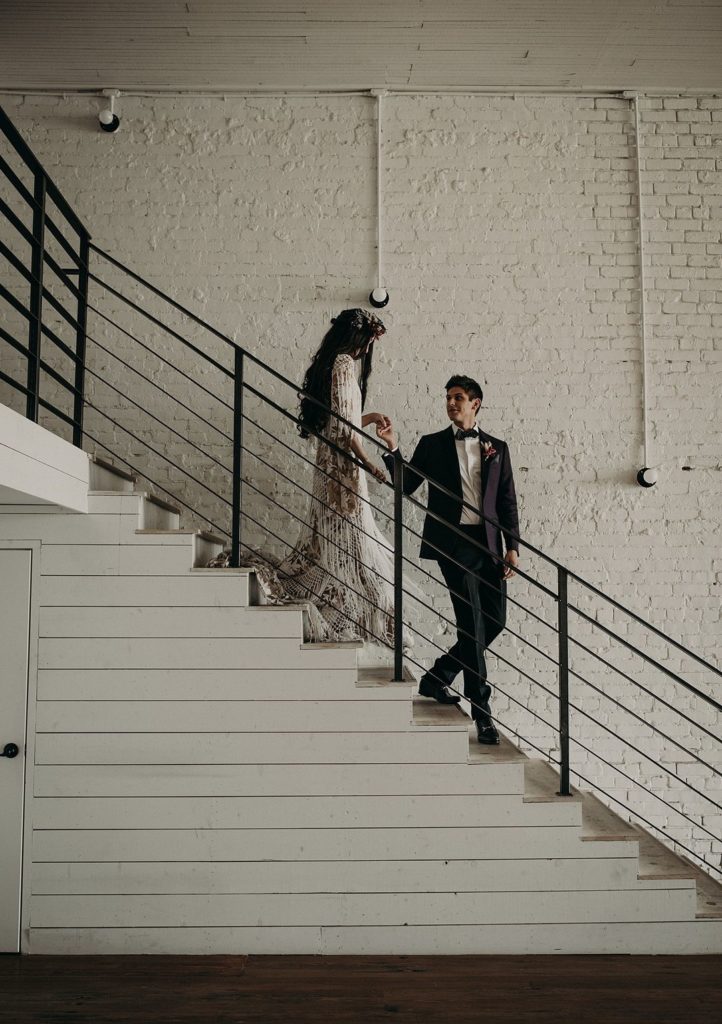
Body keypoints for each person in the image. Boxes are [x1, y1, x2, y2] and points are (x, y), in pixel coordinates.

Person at [238, 308, 399, 645]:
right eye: (369, 341)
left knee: (344, 544)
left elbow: (342, 420)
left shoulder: (337, 364)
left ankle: (366, 618)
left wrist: (369, 418)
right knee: (354, 545)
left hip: (336, 467)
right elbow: (342, 429)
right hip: (342, 471)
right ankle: (369, 620)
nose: (369, 349)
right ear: (361, 339)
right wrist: (369, 463)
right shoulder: (343, 365)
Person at [379, 375, 520, 745]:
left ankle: (438, 676)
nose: (451, 403)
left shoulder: (497, 448)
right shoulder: (433, 444)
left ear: (476, 403)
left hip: (488, 546)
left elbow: (506, 500)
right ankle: (483, 716)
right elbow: (405, 485)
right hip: (452, 545)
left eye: (458, 398)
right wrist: (393, 449)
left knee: (495, 622)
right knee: (471, 626)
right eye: (447, 398)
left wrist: (512, 546)